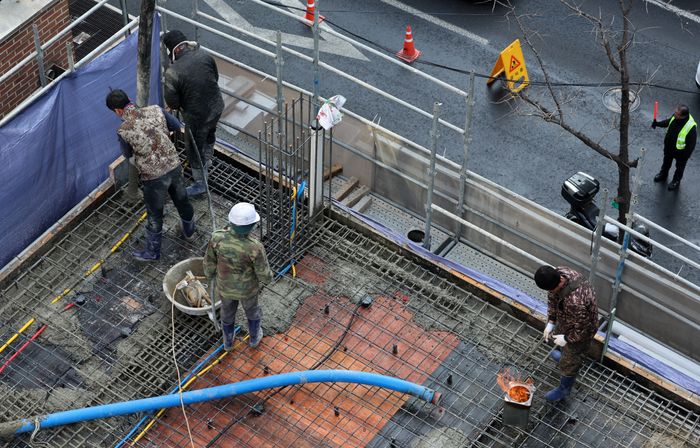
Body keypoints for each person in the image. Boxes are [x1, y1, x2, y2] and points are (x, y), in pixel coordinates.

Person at [106, 89, 196, 261]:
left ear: (117, 111)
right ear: (129, 100)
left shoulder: (123, 130)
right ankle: (189, 231)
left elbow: (127, 155)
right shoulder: (155, 109)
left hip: (154, 178)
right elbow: (177, 126)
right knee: (182, 199)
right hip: (174, 165)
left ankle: (153, 252)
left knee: (155, 213)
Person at [162, 29, 225, 198]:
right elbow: (215, 78)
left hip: (197, 117)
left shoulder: (173, 72)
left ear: (174, 51)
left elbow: (172, 103)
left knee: (194, 147)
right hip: (216, 106)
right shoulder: (205, 56)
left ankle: (200, 184)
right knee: (210, 132)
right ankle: (208, 158)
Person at [203, 202, 273, 352]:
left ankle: (228, 341)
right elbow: (263, 273)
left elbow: (209, 261)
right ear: (253, 225)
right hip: (247, 290)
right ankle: (254, 338)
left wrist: (209, 274)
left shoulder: (217, 237)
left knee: (227, 313)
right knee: (252, 311)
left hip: (225, 288)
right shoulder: (254, 247)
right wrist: (269, 279)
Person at [534, 265, 598, 402]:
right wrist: (551, 321)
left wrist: (568, 338)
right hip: (567, 319)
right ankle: (563, 356)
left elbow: (584, 329)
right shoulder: (560, 272)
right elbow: (553, 299)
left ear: (556, 285)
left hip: (582, 331)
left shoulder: (576, 302)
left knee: (570, 360)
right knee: (560, 346)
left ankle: (564, 389)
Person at [652, 104, 696, 191]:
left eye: (677, 113)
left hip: (681, 154)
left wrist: (685, 157)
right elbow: (668, 122)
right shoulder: (675, 116)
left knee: (679, 168)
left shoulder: (691, 127)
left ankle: (676, 181)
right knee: (666, 162)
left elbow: (691, 145)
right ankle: (663, 174)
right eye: (675, 111)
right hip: (669, 148)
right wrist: (657, 124)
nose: (674, 114)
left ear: (682, 116)